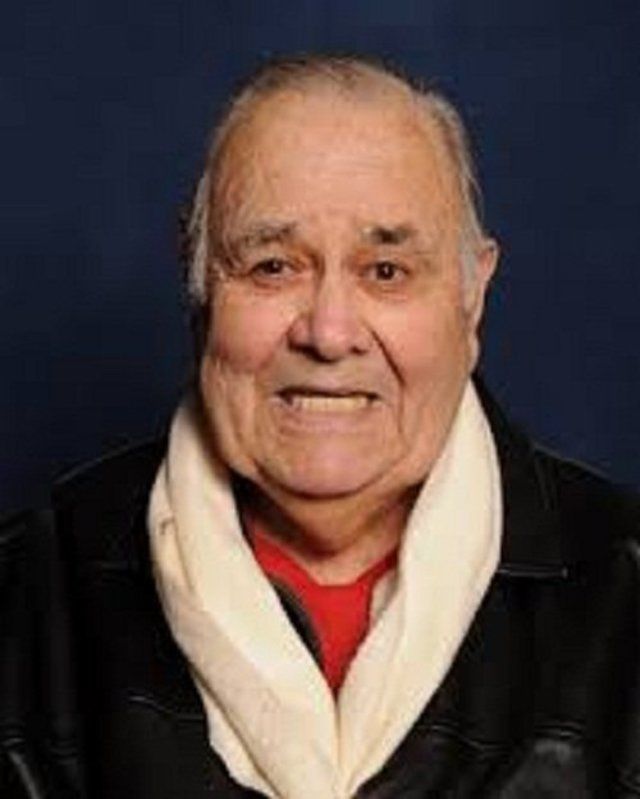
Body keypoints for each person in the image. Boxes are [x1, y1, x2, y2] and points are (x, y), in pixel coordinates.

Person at [1, 54, 639, 799]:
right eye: (273, 267)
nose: (330, 334)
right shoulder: (21, 603)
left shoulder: (624, 595)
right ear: (199, 287)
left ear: (472, 301)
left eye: (386, 271)